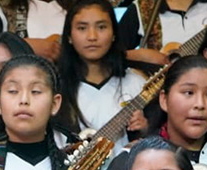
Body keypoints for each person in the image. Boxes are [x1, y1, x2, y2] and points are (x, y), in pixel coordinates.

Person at [55, 0, 146, 148]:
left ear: (114, 34)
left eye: (101, 27)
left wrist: (145, 128)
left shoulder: (136, 83)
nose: (92, 36)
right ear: (69, 36)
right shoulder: (56, 89)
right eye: (82, 28)